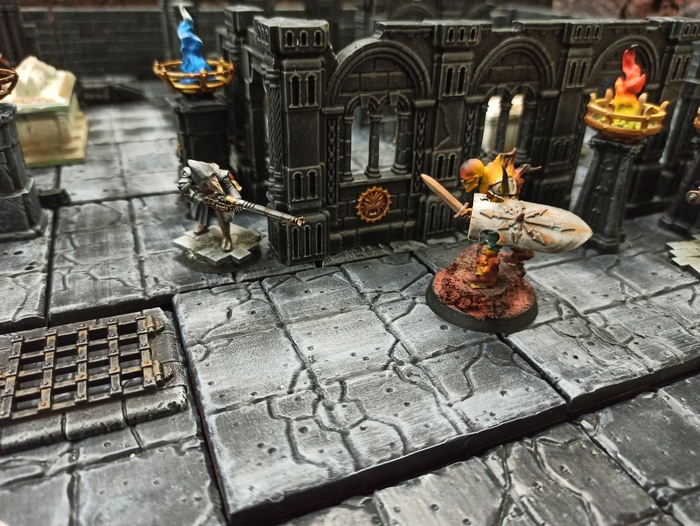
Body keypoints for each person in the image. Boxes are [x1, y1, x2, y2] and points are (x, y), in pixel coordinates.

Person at [178, 159, 242, 251]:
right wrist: (195, 196)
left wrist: (237, 200)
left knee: (223, 215)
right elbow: (183, 188)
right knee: (200, 211)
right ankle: (203, 225)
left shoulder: (221, 174)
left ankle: (226, 236)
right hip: (201, 196)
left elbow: (230, 187)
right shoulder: (189, 174)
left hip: (219, 196)